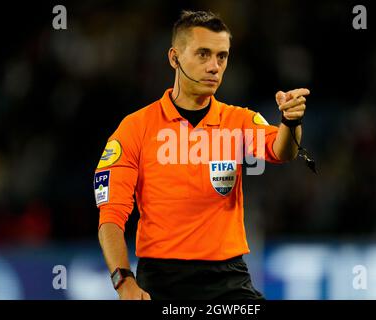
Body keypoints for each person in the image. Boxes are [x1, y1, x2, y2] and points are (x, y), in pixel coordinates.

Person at [94, 10, 310, 300]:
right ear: (174, 58)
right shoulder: (135, 128)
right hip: (161, 281)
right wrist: (124, 282)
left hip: (227, 280)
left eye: (222, 57)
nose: (214, 67)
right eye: (203, 54)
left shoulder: (239, 121)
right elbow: (111, 217)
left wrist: (291, 122)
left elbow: (283, 151)